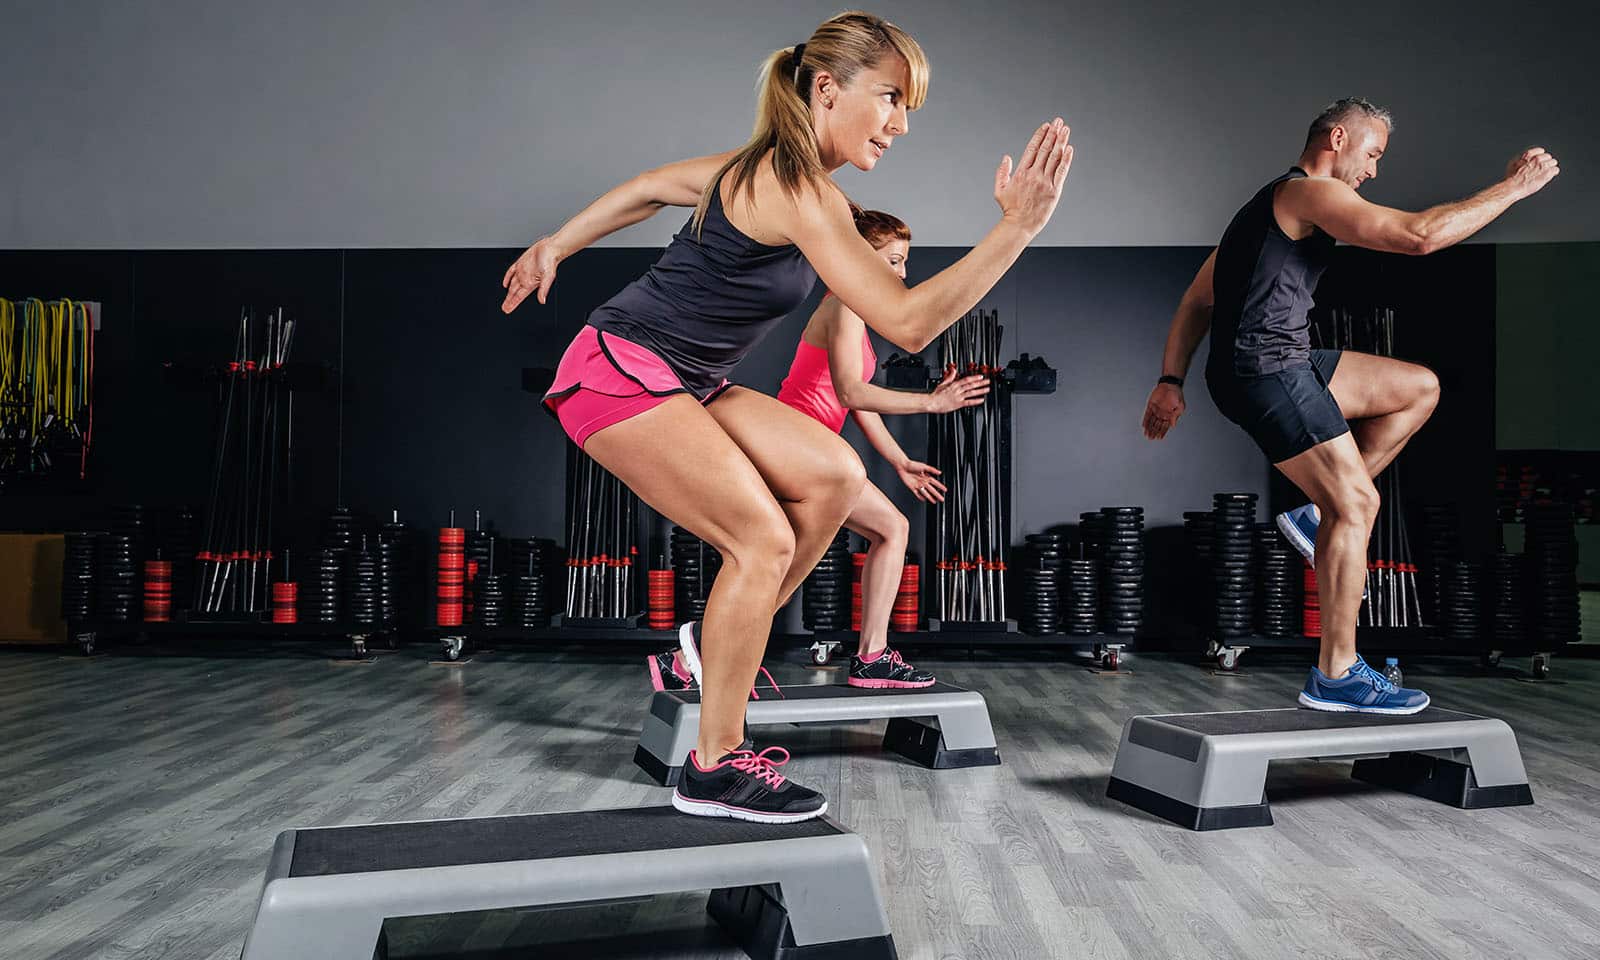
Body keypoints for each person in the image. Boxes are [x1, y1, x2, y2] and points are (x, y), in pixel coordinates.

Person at [504, 11, 1073, 821]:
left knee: (837, 476)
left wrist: (560, 242)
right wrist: (1016, 229)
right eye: (889, 98)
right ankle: (713, 765)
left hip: (692, 380)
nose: (901, 123)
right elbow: (907, 323)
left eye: (908, 106)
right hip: (618, 371)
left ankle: (712, 646)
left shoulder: (775, 175)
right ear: (828, 88)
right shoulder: (799, 190)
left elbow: (648, 188)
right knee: (762, 538)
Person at [1141, 97, 1558, 714]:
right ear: (1338, 137)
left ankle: (1317, 517)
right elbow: (1418, 238)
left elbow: (1197, 302)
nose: (1373, 169)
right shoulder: (1307, 193)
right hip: (1265, 369)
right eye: (1372, 153)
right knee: (1359, 503)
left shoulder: (1258, 211)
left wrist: (1171, 379)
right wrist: (1513, 189)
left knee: (1418, 387)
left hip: (1280, 361)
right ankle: (1335, 673)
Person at [647, 207, 989, 694]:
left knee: (867, 537)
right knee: (819, 551)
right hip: (793, 449)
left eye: (904, 261)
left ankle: (690, 659)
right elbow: (851, 391)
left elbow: (855, 400)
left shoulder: (855, 313)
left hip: (812, 452)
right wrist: (931, 403)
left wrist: (898, 460)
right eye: (893, 260)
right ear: (860, 259)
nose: (903, 272)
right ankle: (862, 658)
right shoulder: (843, 307)